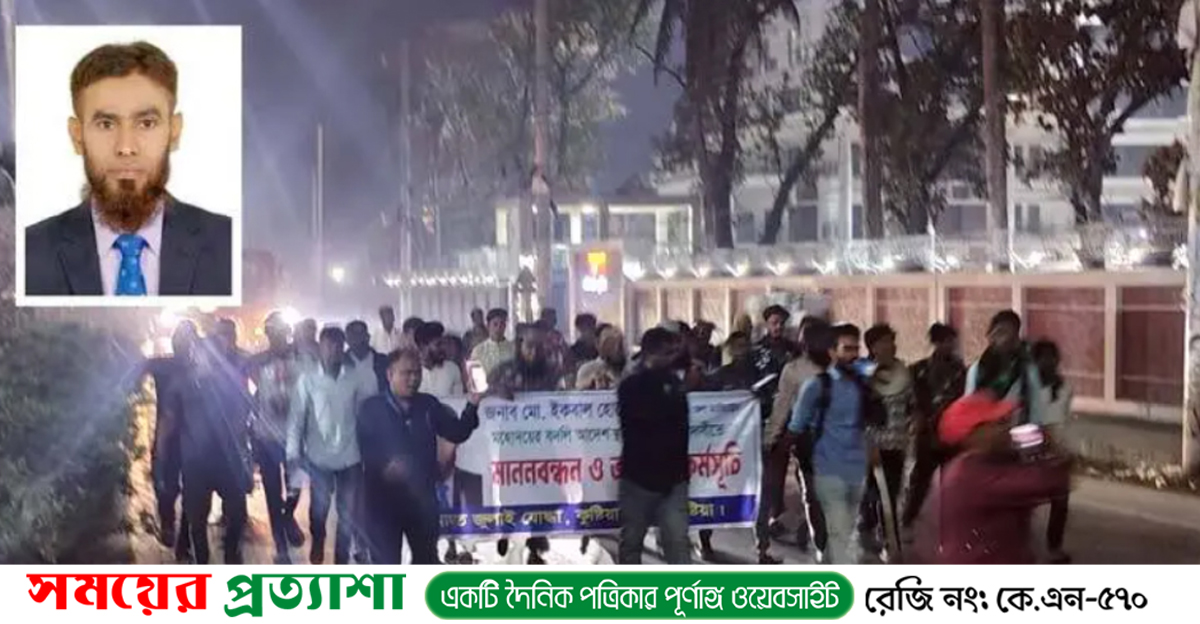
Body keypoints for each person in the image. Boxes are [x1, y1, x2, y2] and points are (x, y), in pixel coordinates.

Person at [25, 41, 232, 297]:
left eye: (146, 123)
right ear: (77, 136)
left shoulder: (229, 245)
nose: (125, 147)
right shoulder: (28, 253)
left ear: (174, 131)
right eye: (106, 124)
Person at [916, 372, 1072, 565]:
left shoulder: (974, 465)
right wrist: (1051, 446)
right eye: (998, 423)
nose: (1007, 428)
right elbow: (1048, 481)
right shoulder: (971, 474)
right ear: (974, 434)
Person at [356, 350, 482, 565]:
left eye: (417, 373)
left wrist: (472, 403)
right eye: (406, 373)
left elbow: (457, 432)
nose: (413, 379)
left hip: (421, 501)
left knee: (426, 561)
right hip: (382, 502)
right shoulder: (371, 408)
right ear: (390, 375)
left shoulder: (428, 405)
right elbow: (364, 447)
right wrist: (384, 467)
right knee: (386, 565)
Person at [287, 326, 378, 565]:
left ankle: (340, 563)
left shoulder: (355, 378)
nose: (333, 350)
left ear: (342, 348)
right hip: (319, 458)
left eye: (338, 345)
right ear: (320, 348)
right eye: (328, 345)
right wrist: (293, 452)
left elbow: (367, 412)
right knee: (318, 512)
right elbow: (296, 418)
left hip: (351, 457)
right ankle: (318, 539)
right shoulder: (308, 380)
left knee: (347, 517)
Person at [786, 323, 871, 565]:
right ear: (832, 351)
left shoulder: (862, 384)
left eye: (856, 349)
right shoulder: (816, 385)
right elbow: (796, 426)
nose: (853, 355)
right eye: (847, 349)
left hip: (854, 465)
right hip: (824, 464)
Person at [163, 337, 253, 564]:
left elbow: (244, 415)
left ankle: (231, 555)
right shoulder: (182, 383)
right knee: (197, 521)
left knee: (236, 515)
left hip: (227, 460)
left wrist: (245, 455)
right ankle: (204, 564)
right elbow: (169, 421)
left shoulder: (232, 382)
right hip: (196, 463)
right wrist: (162, 454)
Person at [489, 323, 563, 564]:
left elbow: (564, 396)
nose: (534, 352)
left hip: (543, 442)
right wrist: (497, 392)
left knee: (547, 494)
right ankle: (506, 531)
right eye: (530, 346)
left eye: (539, 347)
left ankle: (535, 548)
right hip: (514, 444)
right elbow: (481, 390)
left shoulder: (550, 371)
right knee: (514, 493)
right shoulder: (503, 371)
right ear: (519, 345)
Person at [617, 328, 692, 565]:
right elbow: (644, 424)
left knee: (678, 544)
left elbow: (681, 430)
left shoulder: (675, 384)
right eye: (667, 353)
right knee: (632, 544)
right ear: (651, 353)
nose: (672, 358)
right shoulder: (631, 386)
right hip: (638, 479)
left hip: (674, 480)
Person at [245, 312, 307, 563]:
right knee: (272, 492)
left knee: (295, 486)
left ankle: (287, 516)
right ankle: (281, 547)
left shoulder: (301, 359)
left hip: (295, 435)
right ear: (267, 334)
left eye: (281, 331)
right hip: (266, 435)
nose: (277, 336)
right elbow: (248, 388)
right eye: (273, 332)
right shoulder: (257, 361)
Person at [768, 317, 827, 554]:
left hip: (839, 441)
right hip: (807, 440)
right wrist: (771, 438)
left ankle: (814, 530)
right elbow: (782, 406)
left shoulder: (839, 367)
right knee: (812, 493)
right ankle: (821, 543)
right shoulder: (793, 370)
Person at [860, 323, 916, 562]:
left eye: (892, 341)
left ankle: (887, 540)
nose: (891, 346)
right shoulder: (863, 375)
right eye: (884, 342)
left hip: (897, 444)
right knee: (875, 493)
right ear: (873, 347)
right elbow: (858, 412)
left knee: (890, 494)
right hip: (871, 446)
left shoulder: (903, 372)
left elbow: (912, 403)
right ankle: (878, 533)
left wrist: (915, 419)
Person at [144, 320, 199, 561]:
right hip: (173, 437)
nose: (183, 344)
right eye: (180, 339)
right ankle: (171, 527)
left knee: (187, 491)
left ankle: (180, 537)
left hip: (186, 439)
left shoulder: (194, 368)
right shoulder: (163, 365)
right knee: (170, 488)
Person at [905, 323, 966, 530]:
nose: (952, 346)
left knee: (954, 481)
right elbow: (910, 402)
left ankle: (952, 522)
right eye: (947, 341)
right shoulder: (917, 370)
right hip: (927, 435)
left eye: (953, 342)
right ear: (936, 342)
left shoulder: (961, 371)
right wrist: (916, 418)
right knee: (919, 481)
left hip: (952, 434)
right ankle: (907, 519)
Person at [1032, 339, 1074, 564]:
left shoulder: (1065, 388)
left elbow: (1063, 420)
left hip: (1057, 451)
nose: (1048, 362)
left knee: (1060, 501)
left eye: (1052, 357)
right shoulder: (1025, 387)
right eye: (1043, 358)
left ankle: (1054, 547)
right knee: (1023, 500)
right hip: (1030, 450)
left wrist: (1066, 448)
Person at [965, 310, 1043, 424]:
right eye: (1000, 332)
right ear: (990, 335)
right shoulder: (977, 370)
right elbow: (968, 407)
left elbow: (1036, 410)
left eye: (1010, 334)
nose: (1004, 339)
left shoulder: (1027, 370)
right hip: (985, 430)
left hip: (1019, 430)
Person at [416, 322, 463, 398]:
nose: (443, 348)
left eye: (444, 343)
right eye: (438, 344)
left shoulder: (453, 369)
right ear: (423, 346)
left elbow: (459, 401)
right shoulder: (412, 372)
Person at [575, 326, 628, 391]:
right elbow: (580, 392)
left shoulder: (632, 369)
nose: (616, 348)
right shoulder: (587, 370)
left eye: (619, 343)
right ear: (599, 345)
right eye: (610, 343)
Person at [346, 320, 389, 393]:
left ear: (368, 337)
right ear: (347, 340)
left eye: (362, 335)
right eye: (355, 336)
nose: (359, 340)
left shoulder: (383, 361)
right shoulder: (341, 363)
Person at [469, 308, 515, 375]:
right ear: (488, 326)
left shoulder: (513, 349)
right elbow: (475, 375)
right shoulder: (478, 351)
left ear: (505, 326)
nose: (498, 328)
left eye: (502, 324)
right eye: (495, 324)